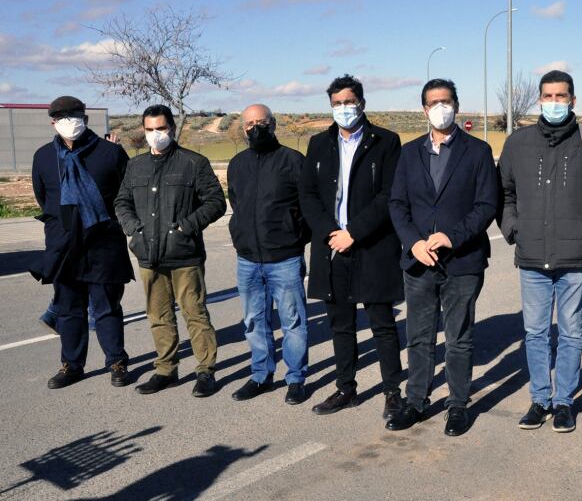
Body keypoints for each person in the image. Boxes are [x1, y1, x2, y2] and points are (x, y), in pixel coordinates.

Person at [498, 70, 582, 433]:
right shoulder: (518, 143)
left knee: (571, 333)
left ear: (573, 99)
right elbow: (503, 191)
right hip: (531, 257)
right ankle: (540, 399)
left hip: (574, 258)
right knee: (536, 332)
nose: (554, 102)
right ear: (539, 99)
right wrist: (513, 230)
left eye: (561, 96)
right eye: (548, 96)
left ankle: (564, 401)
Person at [385, 79, 498, 436]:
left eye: (446, 101)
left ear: (457, 106)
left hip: (462, 261)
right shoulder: (408, 152)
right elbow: (397, 205)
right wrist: (413, 243)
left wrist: (452, 237)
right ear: (423, 109)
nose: (440, 107)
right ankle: (416, 401)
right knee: (418, 336)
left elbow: (486, 206)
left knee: (458, 337)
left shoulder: (478, 152)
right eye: (433, 102)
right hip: (418, 261)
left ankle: (458, 405)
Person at [299, 74, 404, 420]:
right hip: (332, 247)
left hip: (371, 245)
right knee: (340, 325)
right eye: (337, 104)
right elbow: (308, 196)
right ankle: (347, 388)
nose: (343, 109)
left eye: (349, 102)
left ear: (362, 102)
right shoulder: (318, 144)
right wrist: (332, 232)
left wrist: (353, 232)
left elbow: (388, 194)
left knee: (382, 323)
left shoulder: (386, 142)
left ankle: (392, 391)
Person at [115, 104, 226, 397]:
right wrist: (134, 230)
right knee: (158, 315)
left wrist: (186, 227)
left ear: (173, 129)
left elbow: (216, 203)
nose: (156, 135)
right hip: (148, 254)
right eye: (150, 130)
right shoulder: (135, 166)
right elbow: (122, 202)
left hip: (184, 255)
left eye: (161, 129)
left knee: (195, 312)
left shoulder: (193, 163)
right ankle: (166, 369)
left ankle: (205, 371)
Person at [30, 96, 132, 388]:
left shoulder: (110, 153)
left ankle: (116, 362)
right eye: (61, 117)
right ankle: (71, 365)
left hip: (103, 243)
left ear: (85, 118)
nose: (68, 121)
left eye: (73, 115)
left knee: (107, 307)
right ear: (52, 121)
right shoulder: (43, 156)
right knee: (68, 309)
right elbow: (43, 196)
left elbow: (125, 195)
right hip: (62, 244)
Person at [227, 104, 311, 404]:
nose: (255, 127)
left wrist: (293, 237)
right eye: (249, 123)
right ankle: (261, 375)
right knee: (253, 322)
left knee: (292, 322)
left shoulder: (293, 161)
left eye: (261, 122)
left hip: (284, 258)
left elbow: (308, 208)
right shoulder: (237, 164)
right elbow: (236, 203)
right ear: (243, 127)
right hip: (248, 258)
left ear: (273, 124)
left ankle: (296, 378)